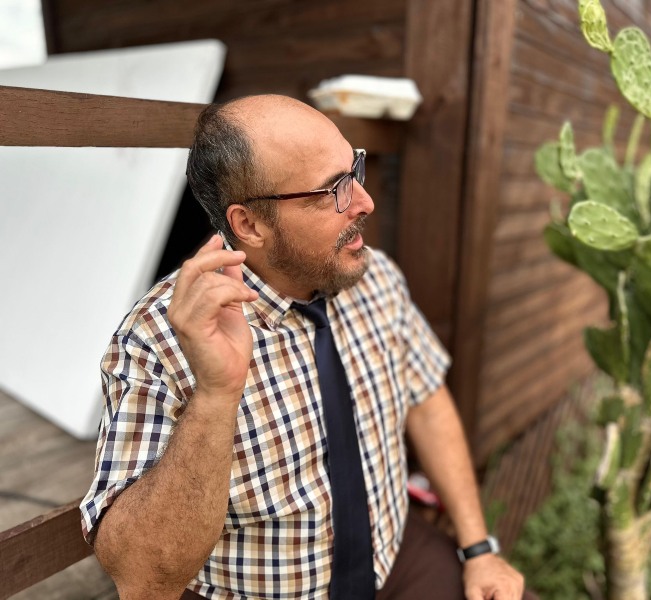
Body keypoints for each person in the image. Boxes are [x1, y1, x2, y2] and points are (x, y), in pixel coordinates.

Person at [80, 95, 532, 600]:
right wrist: (215, 394)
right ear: (249, 225)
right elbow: (140, 578)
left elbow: (426, 402)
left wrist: (478, 550)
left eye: (353, 168)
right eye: (331, 190)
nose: (364, 201)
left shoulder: (372, 275)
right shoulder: (159, 337)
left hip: (395, 562)